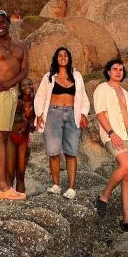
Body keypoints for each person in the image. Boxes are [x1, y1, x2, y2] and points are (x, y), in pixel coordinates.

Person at [0, 10, 29, 200]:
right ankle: (3, 185)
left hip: (10, 91)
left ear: (9, 23)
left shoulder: (21, 46)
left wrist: (10, 84)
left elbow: (24, 70)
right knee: (1, 137)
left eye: (2, 22)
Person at [35, 47, 89, 199]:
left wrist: (84, 113)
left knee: (71, 152)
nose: (63, 57)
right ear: (56, 58)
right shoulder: (49, 77)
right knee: (53, 152)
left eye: (66, 55)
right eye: (60, 55)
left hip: (72, 114)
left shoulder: (77, 76)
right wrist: (39, 114)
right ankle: (56, 185)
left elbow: (83, 96)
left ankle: (72, 188)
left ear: (69, 58)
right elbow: (40, 97)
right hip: (53, 114)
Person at [93, 59, 128, 233]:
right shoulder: (102, 89)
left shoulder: (125, 92)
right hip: (114, 134)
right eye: (115, 69)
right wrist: (111, 133)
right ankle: (103, 197)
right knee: (125, 165)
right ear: (108, 72)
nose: (118, 72)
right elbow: (100, 113)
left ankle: (126, 221)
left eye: (121, 69)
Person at [7, 78, 35, 194]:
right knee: (10, 170)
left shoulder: (36, 102)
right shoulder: (15, 101)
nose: (27, 87)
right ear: (20, 88)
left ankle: (21, 199)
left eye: (29, 84)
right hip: (11, 137)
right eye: (23, 85)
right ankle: (8, 196)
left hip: (24, 139)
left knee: (21, 171)